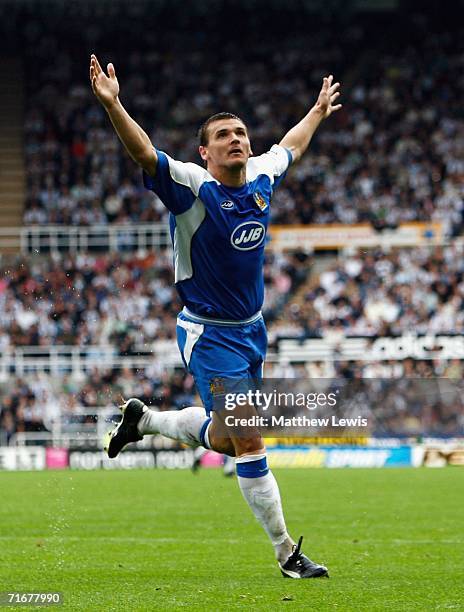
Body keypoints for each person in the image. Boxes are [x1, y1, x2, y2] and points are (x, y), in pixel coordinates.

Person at [90, 53, 341, 578]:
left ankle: (148, 421)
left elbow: (290, 147)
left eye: (241, 132)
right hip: (209, 333)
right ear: (205, 152)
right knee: (250, 438)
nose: (236, 139)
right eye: (224, 134)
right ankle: (287, 554)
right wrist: (114, 105)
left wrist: (317, 111)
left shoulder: (262, 178)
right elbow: (145, 154)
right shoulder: (192, 188)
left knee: (229, 439)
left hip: (253, 332)